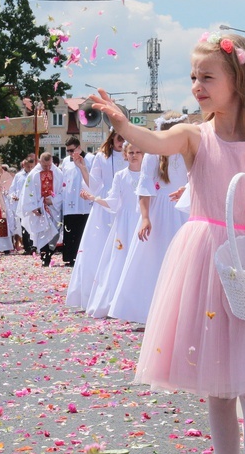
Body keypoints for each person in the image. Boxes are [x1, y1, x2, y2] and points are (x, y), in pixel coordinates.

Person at [92, 31, 245, 454]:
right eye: (193, 76)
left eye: (207, 76)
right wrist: (123, 124)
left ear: (238, 81)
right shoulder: (193, 135)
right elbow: (155, 142)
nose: (196, 86)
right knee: (218, 387)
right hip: (207, 261)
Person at [108, 112, 190, 323]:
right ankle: (149, 311)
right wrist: (145, 217)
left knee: (184, 263)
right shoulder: (153, 154)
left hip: (185, 210)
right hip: (160, 211)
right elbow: (144, 188)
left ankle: (181, 313)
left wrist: (187, 190)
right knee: (155, 261)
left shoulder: (189, 152)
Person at [65, 130, 127, 308]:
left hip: (126, 204)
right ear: (112, 137)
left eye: (124, 138)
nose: (121, 142)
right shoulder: (102, 157)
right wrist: (83, 168)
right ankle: (99, 295)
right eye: (119, 138)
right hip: (104, 206)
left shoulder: (132, 153)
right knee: (100, 249)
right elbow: (94, 185)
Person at [82, 142, 143, 318]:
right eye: (131, 152)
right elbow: (113, 201)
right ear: (125, 154)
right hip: (124, 223)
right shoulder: (120, 175)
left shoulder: (150, 175)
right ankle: (118, 302)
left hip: (141, 220)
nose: (134, 155)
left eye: (138, 152)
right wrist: (95, 198)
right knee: (120, 260)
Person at [18, 152, 64, 267]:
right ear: (40, 162)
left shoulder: (58, 173)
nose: (48, 168)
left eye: (49, 165)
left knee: (55, 233)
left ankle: (50, 253)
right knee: (42, 232)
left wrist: (53, 200)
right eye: (45, 166)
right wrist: (33, 207)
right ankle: (44, 256)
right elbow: (27, 192)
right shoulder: (33, 174)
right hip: (40, 209)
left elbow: (63, 191)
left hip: (54, 208)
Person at [60, 137, 94, 266]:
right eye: (68, 150)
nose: (70, 153)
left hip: (85, 201)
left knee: (83, 229)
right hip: (70, 201)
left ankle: (85, 257)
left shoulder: (90, 159)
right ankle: (70, 257)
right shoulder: (65, 161)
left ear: (79, 148)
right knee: (70, 230)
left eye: (72, 150)